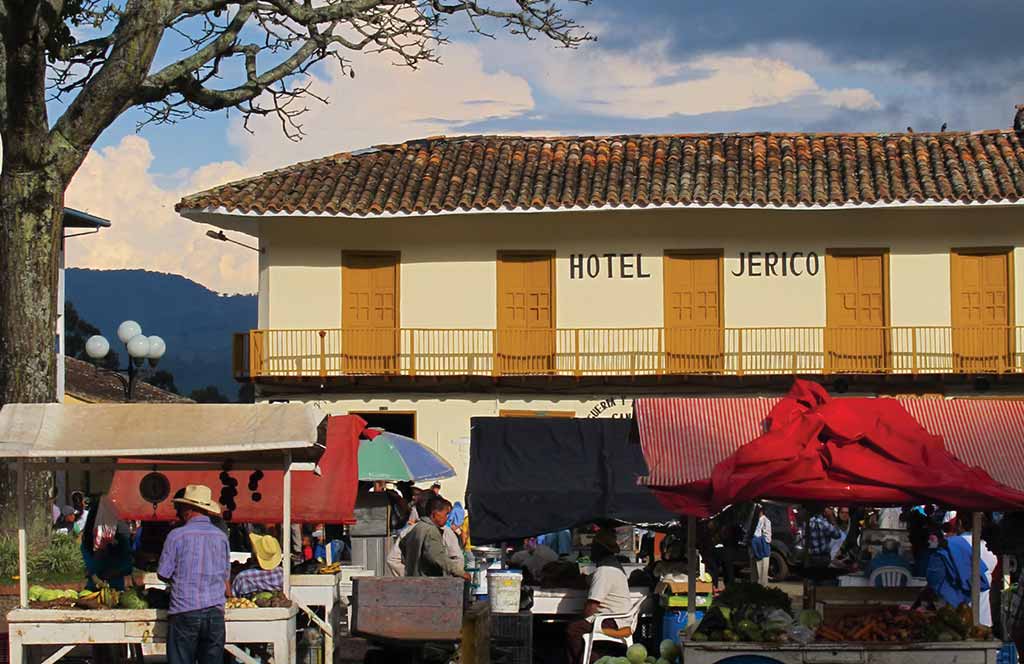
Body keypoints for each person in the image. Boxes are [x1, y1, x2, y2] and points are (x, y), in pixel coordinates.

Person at [158, 484, 231, 664]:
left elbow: (163, 573)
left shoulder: (177, 536)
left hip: (185, 610)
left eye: (180, 507)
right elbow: (225, 575)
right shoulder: (221, 537)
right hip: (214, 612)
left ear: (189, 509)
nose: (178, 511)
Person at [565, 529, 633, 664]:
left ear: (600, 549)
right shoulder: (611, 565)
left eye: (593, 547)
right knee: (578, 624)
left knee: (573, 628)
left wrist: (582, 618)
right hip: (620, 617)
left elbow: (591, 606)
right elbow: (590, 580)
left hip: (613, 620)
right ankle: (592, 657)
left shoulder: (604, 570)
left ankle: (588, 660)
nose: (591, 550)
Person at [925, 524, 989, 621]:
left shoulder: (938, 555)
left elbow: (934, 579)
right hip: (972, 597)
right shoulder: (961, 543)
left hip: (949, 603)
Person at [400, 495, 469, 579]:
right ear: (435, 514)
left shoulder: (418, 526)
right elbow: (437, 556)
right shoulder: (431, 530)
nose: (447, 518)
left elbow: (402, 543)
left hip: (413, 577)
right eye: (446, 514)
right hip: (427, 581)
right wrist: (459, 572)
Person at [954, 512, 997, 627]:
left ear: (959, 523)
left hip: (955, 621)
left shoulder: (952, 545)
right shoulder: (991, 548)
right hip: (984, 620)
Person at [750, 503, 771, 586]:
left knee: (762, 572)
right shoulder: (754, 520)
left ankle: (762, 589)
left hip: (762, 548)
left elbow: (768, 537)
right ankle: (757, 587)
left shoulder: (766, 521)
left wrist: (761, 541)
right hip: (756, 548)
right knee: (756, 571)